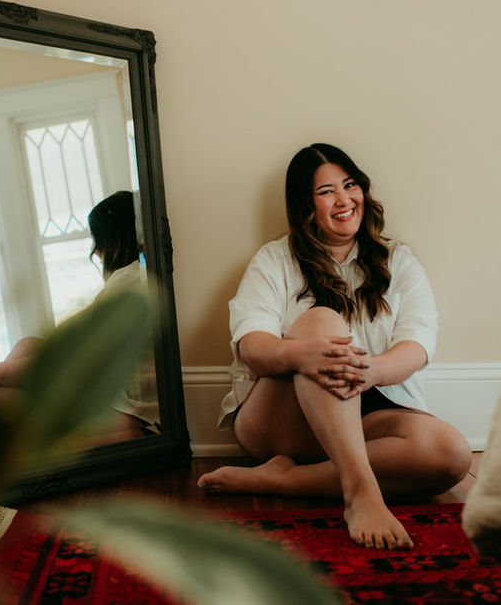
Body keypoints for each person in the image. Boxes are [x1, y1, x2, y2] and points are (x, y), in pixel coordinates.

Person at [197, 143, 472, 550]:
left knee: (453, 453)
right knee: (321, 321)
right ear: (304, 205)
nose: (344, 199)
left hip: (365, 411)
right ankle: (361, 493)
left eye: (350, 185)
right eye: (326, 191)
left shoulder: (399, 261)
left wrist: (370, 372)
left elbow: (416, 346)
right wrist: (300, 354)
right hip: (279, 421)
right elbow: (252, 346)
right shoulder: (273, 260)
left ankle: (287, 480)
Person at [0, 190, 159, 444]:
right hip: (118, 396)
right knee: (27, 344)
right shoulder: (133, 276)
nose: (95, 251)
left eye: (98, 239)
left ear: (116, 238)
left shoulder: (127, 284)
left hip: (134, 413)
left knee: (0, 402)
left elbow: (72, 361)